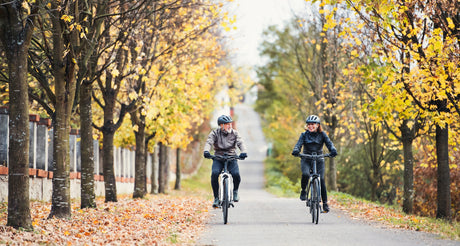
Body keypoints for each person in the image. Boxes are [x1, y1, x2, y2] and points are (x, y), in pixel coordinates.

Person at [291, 115, 337, 213]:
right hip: (306, 159)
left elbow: (329, 144)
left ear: (317, 125)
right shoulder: (304, 135)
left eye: (312, 124)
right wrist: (296, 150)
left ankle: (325, 203)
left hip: (319, 159)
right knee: (306, 174)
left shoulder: (323, 135)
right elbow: (298, 145)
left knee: (322, 179)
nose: (310, 126)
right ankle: (303, 190)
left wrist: (332, 150)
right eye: (309, 124)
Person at [204, 115, 248, 208]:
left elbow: (240, 142)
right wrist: (206, 151)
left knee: (236, 174)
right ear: (221, 125)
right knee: (215, 174)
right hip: (218, 158)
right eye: (227, 124)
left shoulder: (235, 133)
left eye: (230, 124)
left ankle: (235, 191)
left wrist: (243, 152)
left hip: (231, 157)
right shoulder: (215, 133)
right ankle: (216, 198)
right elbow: (209, 142)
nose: (230, 126)